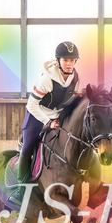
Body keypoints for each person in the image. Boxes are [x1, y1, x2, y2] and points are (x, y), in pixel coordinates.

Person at [16, 41, 81, 192]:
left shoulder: (75, 77)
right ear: (58, 61)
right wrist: (48, 121)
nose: (69, 64)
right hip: (37, 114)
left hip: (57, 115)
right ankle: (21, 187)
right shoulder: (47, 79)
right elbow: (31, 104)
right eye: (66, 60)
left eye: (72, 60)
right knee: (28, 146)